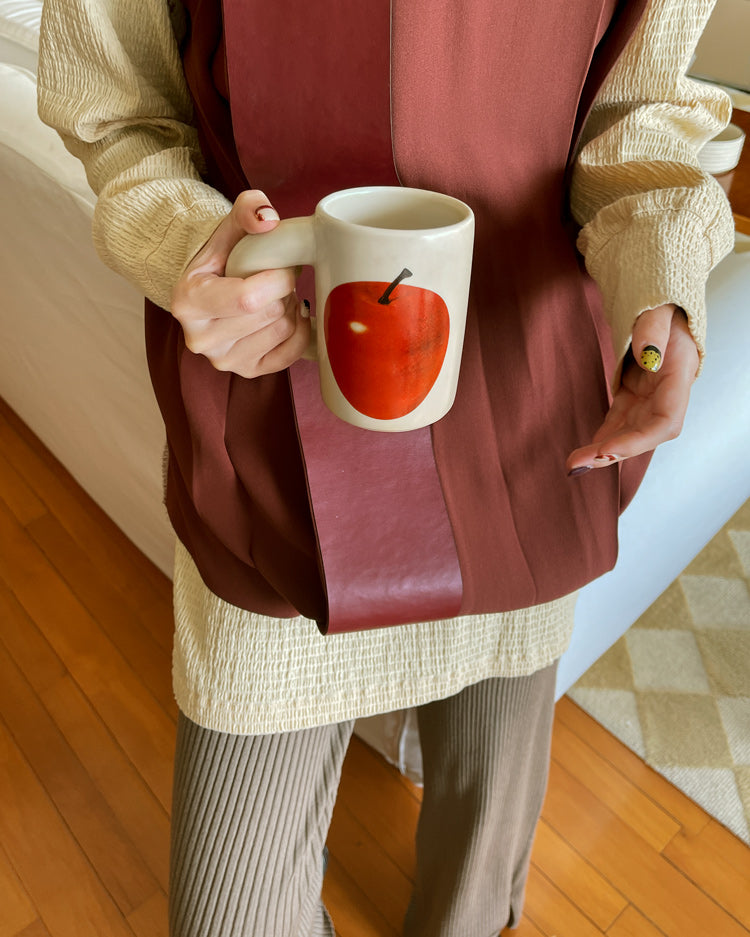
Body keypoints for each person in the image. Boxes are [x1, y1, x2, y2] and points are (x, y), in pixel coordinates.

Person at [37, 0, 734, 934]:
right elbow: (118, 108)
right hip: (272, 402)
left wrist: (662, 281)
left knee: (479, 884)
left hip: (529, 401)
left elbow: (635, 115)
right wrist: (184, 243)